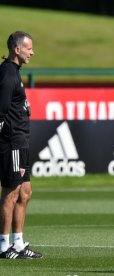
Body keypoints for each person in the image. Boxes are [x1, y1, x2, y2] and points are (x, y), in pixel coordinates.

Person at [0, 31, 42, 259]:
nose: (32, 52)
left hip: (21, 141)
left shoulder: (14, 72)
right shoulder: (7, 75)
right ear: (17, 50)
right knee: (10, 192)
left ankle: (18, 243)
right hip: (12, 142)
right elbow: (0, 112)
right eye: (29, 48)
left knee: (25, 192)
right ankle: (3, 246)